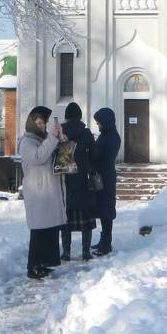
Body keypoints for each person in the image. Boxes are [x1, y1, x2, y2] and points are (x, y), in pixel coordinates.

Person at [18, 105, 66, 280]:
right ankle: (33, 266)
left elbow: (57, 156)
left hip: (49, 190)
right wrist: (51, 139)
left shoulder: (45, 139)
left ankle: (45, 263)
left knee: (50, 229)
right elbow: (37, 157)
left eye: (43, 123)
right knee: (39, 231)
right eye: (38, 123)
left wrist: (61, 140)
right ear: (31, 123)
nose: (41, 126)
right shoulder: (27, 142)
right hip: (38, 192)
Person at [60, 101, 98, 262]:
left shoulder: (61, 132)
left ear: (66, 116)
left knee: (66, 219)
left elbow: (57, 156)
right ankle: (85, 252)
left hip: (66, 179)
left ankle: (66, 252)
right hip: (83, 180)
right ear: (80, 116)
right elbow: (95, 155)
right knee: (86, 220)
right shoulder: (86, 133)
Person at [91, 107, 121, 255]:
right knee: (103, 209)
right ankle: (104, 240)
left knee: (106, 210)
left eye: (99, 123)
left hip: (106, 177)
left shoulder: (111, 137)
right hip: (104, 176)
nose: (98, 125)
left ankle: (106, 244)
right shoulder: (107, 135)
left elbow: (102, 156)